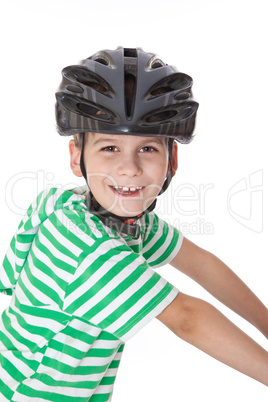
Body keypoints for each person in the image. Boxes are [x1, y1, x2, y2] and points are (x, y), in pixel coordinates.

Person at [0, 47, 267, 401]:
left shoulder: (84, 208)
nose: (130, 168)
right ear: (76, 156)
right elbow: (188, 318)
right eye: (110, 148)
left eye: (148, 149)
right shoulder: (88, 249)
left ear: (172, 160)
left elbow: (201, 263)